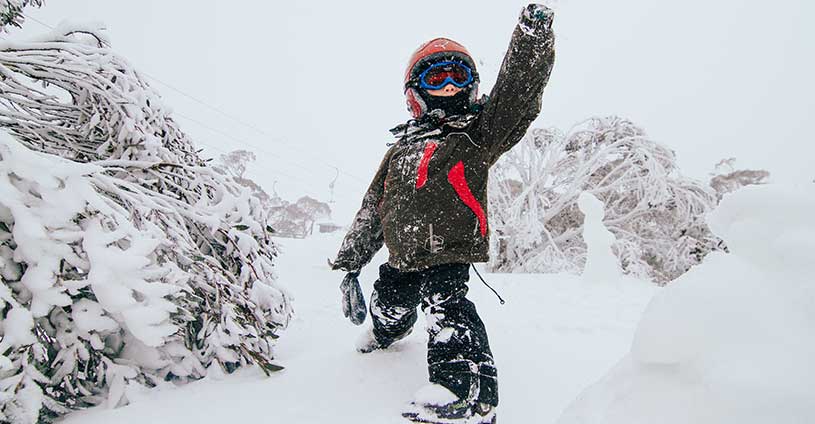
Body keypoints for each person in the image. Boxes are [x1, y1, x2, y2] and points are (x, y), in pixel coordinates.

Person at [331, 4, 556, 423]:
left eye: (459, 76)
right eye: (437, 77)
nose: (450, 86)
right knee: (390, 302)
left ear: (471, 86)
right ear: (416, 91)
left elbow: (517, 95)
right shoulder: (399, 152)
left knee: (446, 306)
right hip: (402, 254)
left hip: (448, 249)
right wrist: (350, 263)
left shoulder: (476, 135)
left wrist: (532, 37)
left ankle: (465, 392)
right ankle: (384, 332)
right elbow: (373, 209)